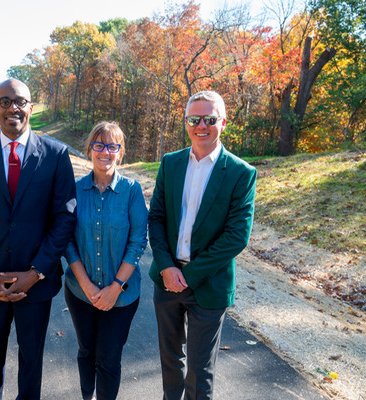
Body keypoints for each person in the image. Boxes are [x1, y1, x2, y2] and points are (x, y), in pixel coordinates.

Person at [0, 78, 77, 400]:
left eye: (20, 101)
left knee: (32, 358)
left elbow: (64, 218)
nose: (13, 108)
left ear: (31, 108)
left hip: (36, 282)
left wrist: (36, 272)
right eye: (5, 102)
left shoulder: (56, 154)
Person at [148, 91, 257, 400]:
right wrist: (168, 267)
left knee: (200, 370)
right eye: (194, 119)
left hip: (208, 285)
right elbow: (156, 217)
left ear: (222, 122)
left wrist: (190, 275)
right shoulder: (170, 163)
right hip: (166, 281)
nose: (202, 126)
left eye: (209, 119)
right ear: (186, 123)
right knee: (170, 362)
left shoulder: (240, 173)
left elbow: (237, 236)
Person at [64, 122, 148, 400]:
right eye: (99, 145)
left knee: (109, 358)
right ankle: (86, 395)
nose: (105, 151)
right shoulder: (74, 190)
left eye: (112, 146)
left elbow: (137, 242)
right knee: (86, 350)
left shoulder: (132, 191)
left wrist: (115, 287)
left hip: (122, 296)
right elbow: (67, 240)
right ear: (89, 149)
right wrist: (86, 285)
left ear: (120, 152)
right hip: (80, 292)